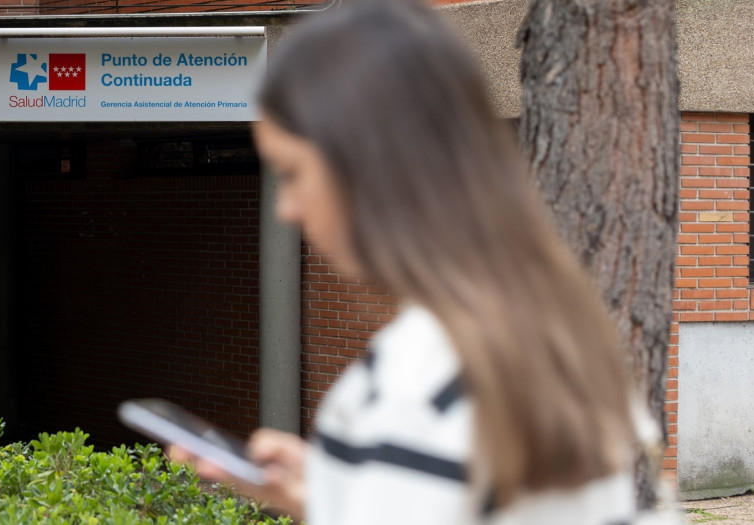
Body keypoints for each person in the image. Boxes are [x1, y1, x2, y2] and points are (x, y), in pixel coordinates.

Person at [169, 1, 665, 523]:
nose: (285, 208)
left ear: (373, 168)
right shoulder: (557, 331)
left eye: (293, 173)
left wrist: (366, 472)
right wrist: (340, 489)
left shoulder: (413, 383)